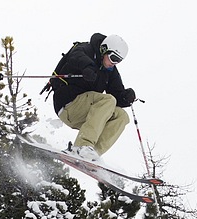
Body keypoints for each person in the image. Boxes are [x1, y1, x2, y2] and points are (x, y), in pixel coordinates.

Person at [49, 32, 136, 162]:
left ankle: (92, 154)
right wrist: (87, 67)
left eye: (118, 60)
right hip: (68, 104)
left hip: (87, 113)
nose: (114, 63)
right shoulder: (86, 49)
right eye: (113, 58)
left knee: (122, 116)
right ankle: (81, 146)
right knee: (108, 100)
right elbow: (75, 56)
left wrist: (125, 97)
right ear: (104, 49)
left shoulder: (110, 71)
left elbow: (117, 94)